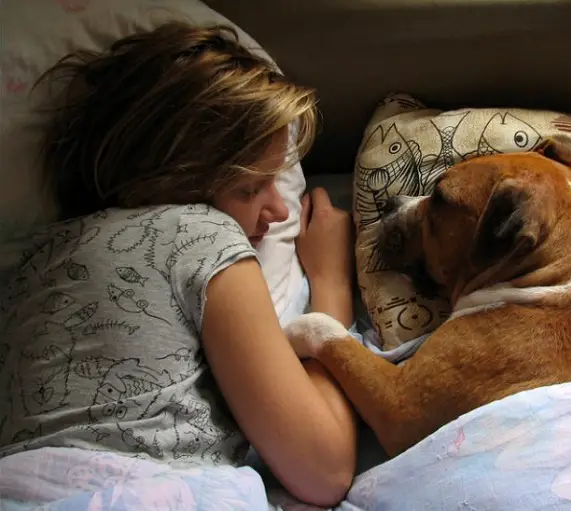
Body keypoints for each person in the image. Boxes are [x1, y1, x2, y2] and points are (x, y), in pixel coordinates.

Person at [0, 23, 357, 507]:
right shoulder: (200, 231)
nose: (278, 212)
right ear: (175, 177)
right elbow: (324, 468)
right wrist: (332, 286)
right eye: (250, 189)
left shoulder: (25, 268)